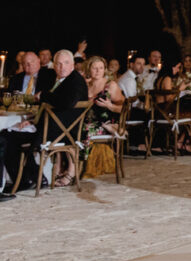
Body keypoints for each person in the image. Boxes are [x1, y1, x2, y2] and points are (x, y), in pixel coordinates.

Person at [0, 50, 88, 197]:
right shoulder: (63, 80)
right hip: (51, 128)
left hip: (60, 132)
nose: (62, 67)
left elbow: (67, 103)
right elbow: (54, 109)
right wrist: (32, 122)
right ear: (54, 66)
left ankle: (26, 179)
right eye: (59, 64)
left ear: (72, 65)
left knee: (5, 138)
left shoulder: (75, 81)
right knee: (7, 136)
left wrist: (43, 96)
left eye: (66, 63)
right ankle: (30, 178)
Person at [82, 56, 125, 181]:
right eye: (94, 68)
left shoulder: (110, 85)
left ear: (104, 69)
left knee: (83, 131)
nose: (98, 71)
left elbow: (123, 108)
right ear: (89, 69)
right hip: (86, 122)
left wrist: (110, 106)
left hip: (105, 124)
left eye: (101, 68)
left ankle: (80, 169)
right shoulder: (86, 85)